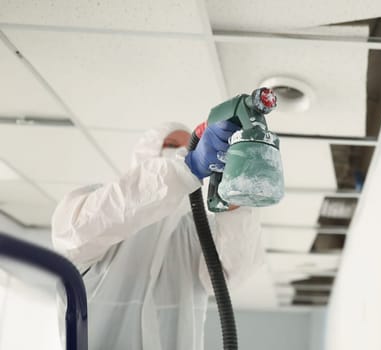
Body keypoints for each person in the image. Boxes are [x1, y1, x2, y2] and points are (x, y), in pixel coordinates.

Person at [51, 121, 264, 350]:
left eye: (191, 148)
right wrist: (186, 168)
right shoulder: (99, 208)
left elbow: (231, 272)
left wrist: (234, 198)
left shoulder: (198, 232)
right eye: (172, 145)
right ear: (145, 153)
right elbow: (79, 231)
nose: (183, 152)